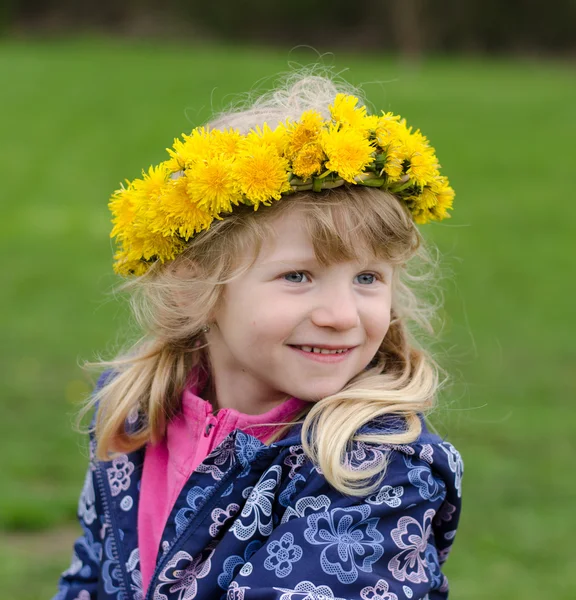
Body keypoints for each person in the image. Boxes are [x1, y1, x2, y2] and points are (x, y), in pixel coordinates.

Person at [54, 72, 463, 600]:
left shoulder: (374, 465)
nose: (341, 315)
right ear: (193, 286)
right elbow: (90, 581)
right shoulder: (133, 415)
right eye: (298, 276)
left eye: (367, 278)